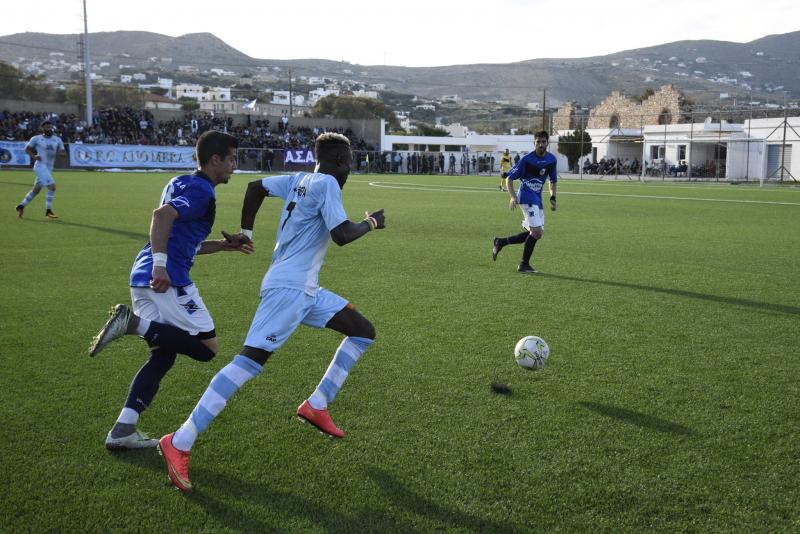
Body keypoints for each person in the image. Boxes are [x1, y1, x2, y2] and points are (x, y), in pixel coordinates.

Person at [158, 132, 385, 493]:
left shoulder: (298, 179)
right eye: (351, 161)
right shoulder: (327, 183)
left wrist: (246, 231)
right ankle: (179, 441)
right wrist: (371, 223)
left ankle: (317, 404)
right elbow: (342, 234)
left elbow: (256, 187)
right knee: (248, 363)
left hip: (304, 288)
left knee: (362, 331)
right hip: (290, 290)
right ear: (341, 161)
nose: (351, 168)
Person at [87, 130, 254, 450]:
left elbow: (181, 237)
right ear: (215, 160)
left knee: (162, 356)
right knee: (206, 348)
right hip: (167, 279)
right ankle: (133, 324)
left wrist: (222, 246)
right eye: (232, 159)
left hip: (144, 276)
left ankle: (123, 430)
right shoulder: (201, 190)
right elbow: (161, 216)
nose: (234, 166)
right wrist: (161, 266)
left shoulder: (180, 182)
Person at [491, 130, 557, 274]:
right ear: (534, 143)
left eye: (543, 142)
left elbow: (552, 181)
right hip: (526, 196)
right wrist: (513, 197)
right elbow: (509, 179)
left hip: (537, 199)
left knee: (536, 233)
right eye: (538, 142)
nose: (541, 144)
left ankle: (500, 242)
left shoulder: (552, 160)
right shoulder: (527, 160)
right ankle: (523, 264)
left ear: (547, 143)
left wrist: (553, 197)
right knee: (536, 232)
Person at [16, 121, 65, 219]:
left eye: (50, 127)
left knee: (36, 190)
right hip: (40, 167)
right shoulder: (36, 138)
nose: (49, 129)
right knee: (52, 188)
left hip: (49, 168)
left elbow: (63, 153)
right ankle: (48, 211)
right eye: (47, 127)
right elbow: (27, 149)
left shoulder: (57, 140)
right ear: (42, 128)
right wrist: (34, 156)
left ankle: (21, 206)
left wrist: (61, 153)